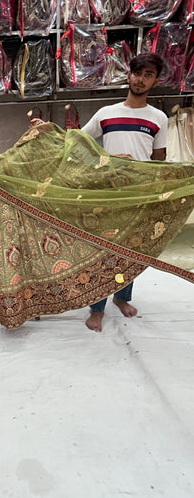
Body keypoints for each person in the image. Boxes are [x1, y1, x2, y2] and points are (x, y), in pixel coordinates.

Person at [81, 52, 168, 333]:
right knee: (103, 251)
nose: (141, 80)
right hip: (107, 195)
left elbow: (159, 160)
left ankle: (121, 297)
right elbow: (80, 144)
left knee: (132, 251)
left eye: (148, 75)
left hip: (137, 197)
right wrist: (106, 161)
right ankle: (97, 308)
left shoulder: (159, 118)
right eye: (137, 73)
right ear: (128, 75)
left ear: (155, 81)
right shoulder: (106, 114)